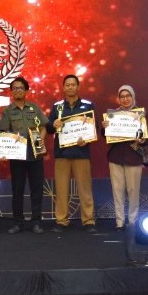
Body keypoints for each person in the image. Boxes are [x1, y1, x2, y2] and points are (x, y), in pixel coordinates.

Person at [46, 75, 97, 233]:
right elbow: (48, 129)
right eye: (67, 85)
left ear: (78, 87)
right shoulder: (57, 107)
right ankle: (62, 220)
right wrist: (53, 125)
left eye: (73, 85)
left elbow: (92, 129)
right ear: (63, 88)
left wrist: (86, 140)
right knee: (61, 189)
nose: (70, 87)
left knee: (85, 188)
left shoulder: (88, 105)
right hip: (62, 153)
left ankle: (88, 220)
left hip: (81, 152)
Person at [0, 76, 48, 234]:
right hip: (17, 155)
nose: (18, 90)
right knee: (17, 190)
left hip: (35, 154)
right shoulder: (7, 111)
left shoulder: (34, 108)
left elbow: (44, 127)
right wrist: (4, 151)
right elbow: (4, 132)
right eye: (15, 88)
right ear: (11, 92)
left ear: (26, 90)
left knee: (36, 189)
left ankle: (36, 222)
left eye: (20, 88)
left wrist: (40, 142)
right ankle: (18, 222)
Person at [102, 85, 148, 231]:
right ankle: (119, 222)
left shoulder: (140, 115)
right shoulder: (112, 115)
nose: (125, 99)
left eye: (128, 96)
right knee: (117, 190)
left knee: (133, 190)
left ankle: (133, 221)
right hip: (115, 157)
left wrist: (142, 140)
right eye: (122, 96)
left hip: (133, 158)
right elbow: (106, 135)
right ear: (119, 99)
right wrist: (104, 127)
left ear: (133, 97)